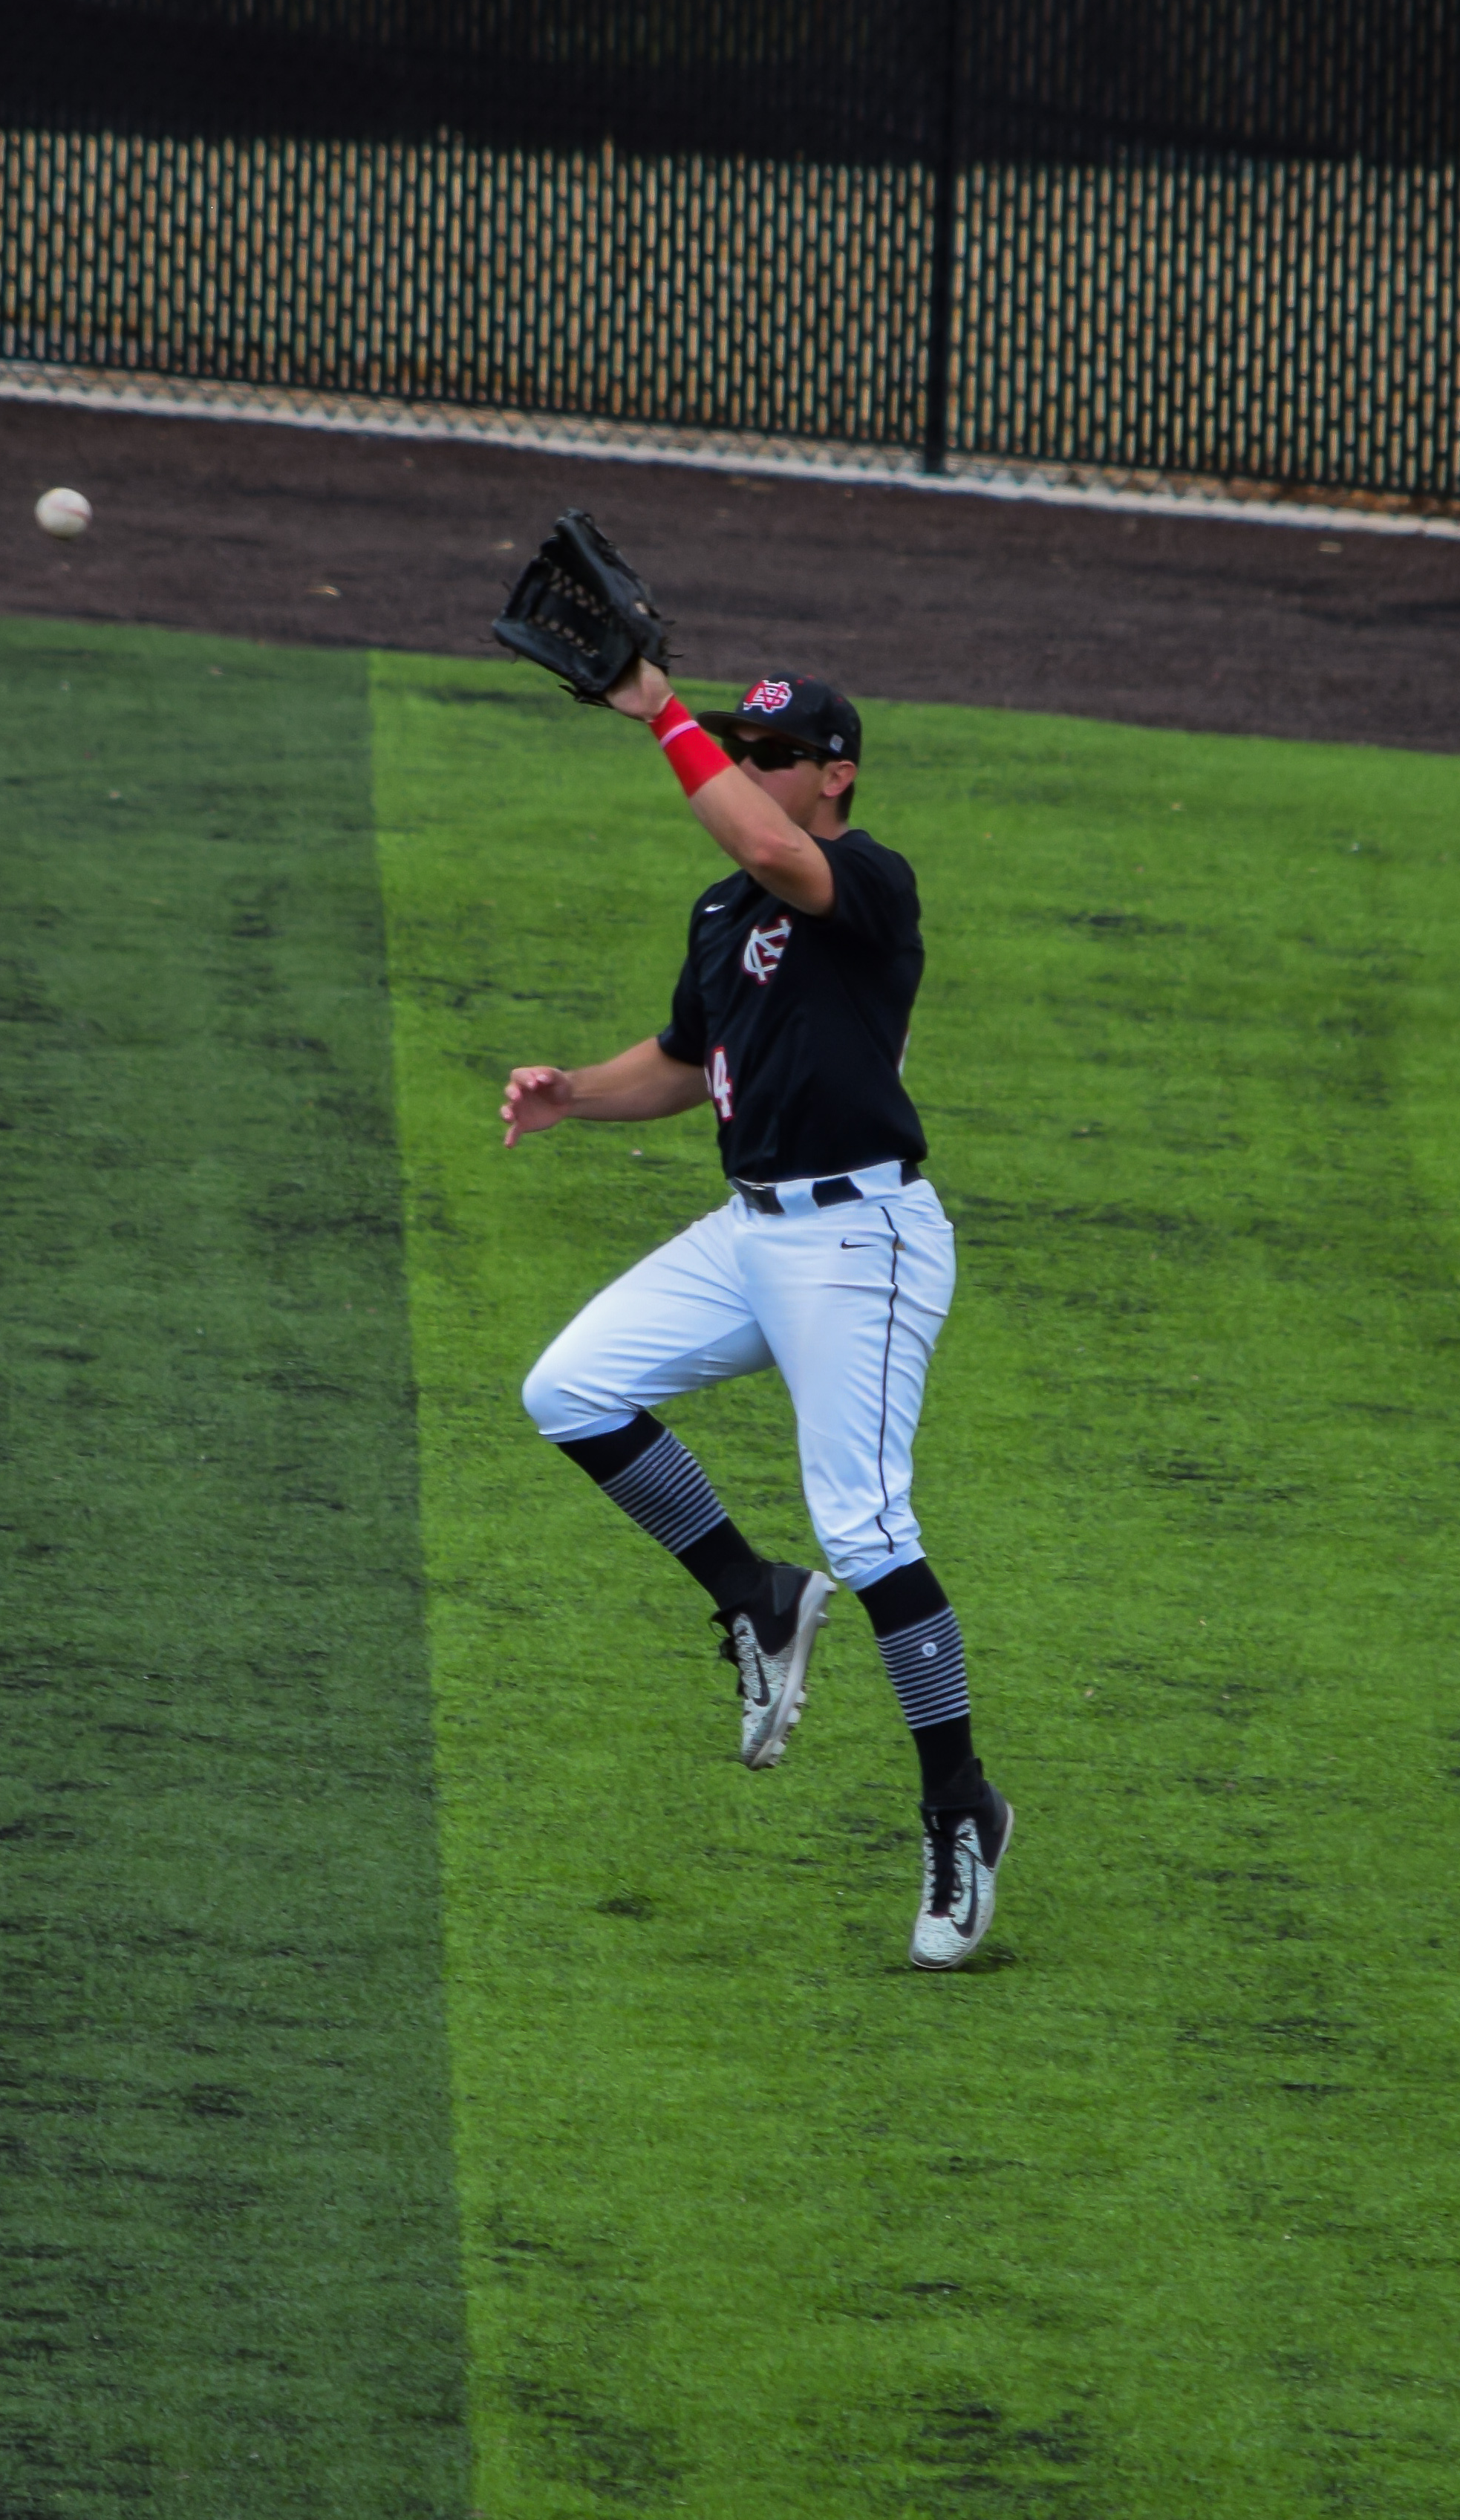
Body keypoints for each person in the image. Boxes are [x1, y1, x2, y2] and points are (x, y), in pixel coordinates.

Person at [501, 659, 1011, 1969]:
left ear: (835, 770)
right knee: (568, 1388)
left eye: (771, 751)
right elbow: (684, 1063)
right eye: (740, 745)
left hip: (863, 1238)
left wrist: (662, 714)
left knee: (869, 1518)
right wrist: (574, 1095)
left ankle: (960, 1806)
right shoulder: (723, 910)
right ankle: (756, 1595)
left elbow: (773, 839)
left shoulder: (863, 884)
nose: (750, 766)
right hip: (751, 1234)